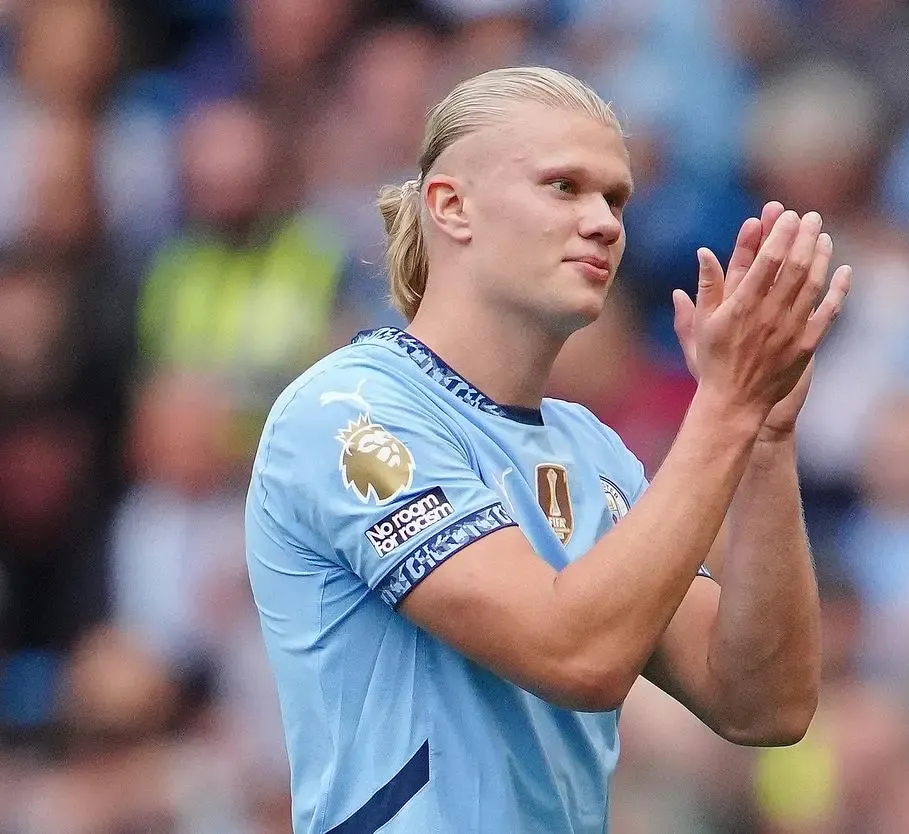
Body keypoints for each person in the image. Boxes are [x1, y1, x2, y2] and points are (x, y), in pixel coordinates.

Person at [244, 66, 852, 834]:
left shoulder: (592, 450)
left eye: (616, 198)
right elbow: (575, 656)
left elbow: (763, 702)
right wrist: (725, 408)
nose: (603, 221)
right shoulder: (349, 413)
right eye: (564, 187)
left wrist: (765, 436)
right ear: (451, 206)